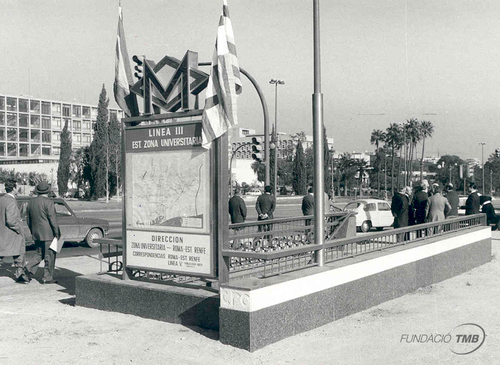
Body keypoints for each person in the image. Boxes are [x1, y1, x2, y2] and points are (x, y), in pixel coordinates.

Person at [25, 181, 61, 284]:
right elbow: (52, 219)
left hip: (36, 233)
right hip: (48, 234)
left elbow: (28, 220)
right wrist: (57, 233)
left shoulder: (31, 202)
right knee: (49, 256)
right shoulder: (48, 202)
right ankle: (47, 277)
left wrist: (32, 231)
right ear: (48, 191)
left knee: (39, 254)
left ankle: (27, 269)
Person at [0, 181, 30, 283]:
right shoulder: (11, 201)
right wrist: (19, 229)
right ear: (13, 188)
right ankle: (20, 273)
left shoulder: (2, 199)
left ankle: (20, 273)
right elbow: (11, 220)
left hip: (2, 233)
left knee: (2, 253)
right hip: (11, 233)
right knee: (19, 251)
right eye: (18, 186)